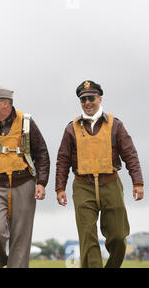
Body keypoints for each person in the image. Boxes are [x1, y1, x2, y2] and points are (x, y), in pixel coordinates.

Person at [55, 80, 144, 268]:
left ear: (99, 98)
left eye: (91, 98)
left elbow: (130, 154)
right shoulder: (71, 127)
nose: (87, 102)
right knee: (88, 236)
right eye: (83, 99)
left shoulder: (115, 125)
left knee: (119, 236)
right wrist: (59, 187)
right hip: (82, 185)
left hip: (110, 183)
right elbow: (62, 159)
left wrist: (138, 182)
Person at [0, 84, 50, 268]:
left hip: (23, 184)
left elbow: (42, 153)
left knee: (21, 238)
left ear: (6, 104)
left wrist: (41, 182)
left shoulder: (27, 123)